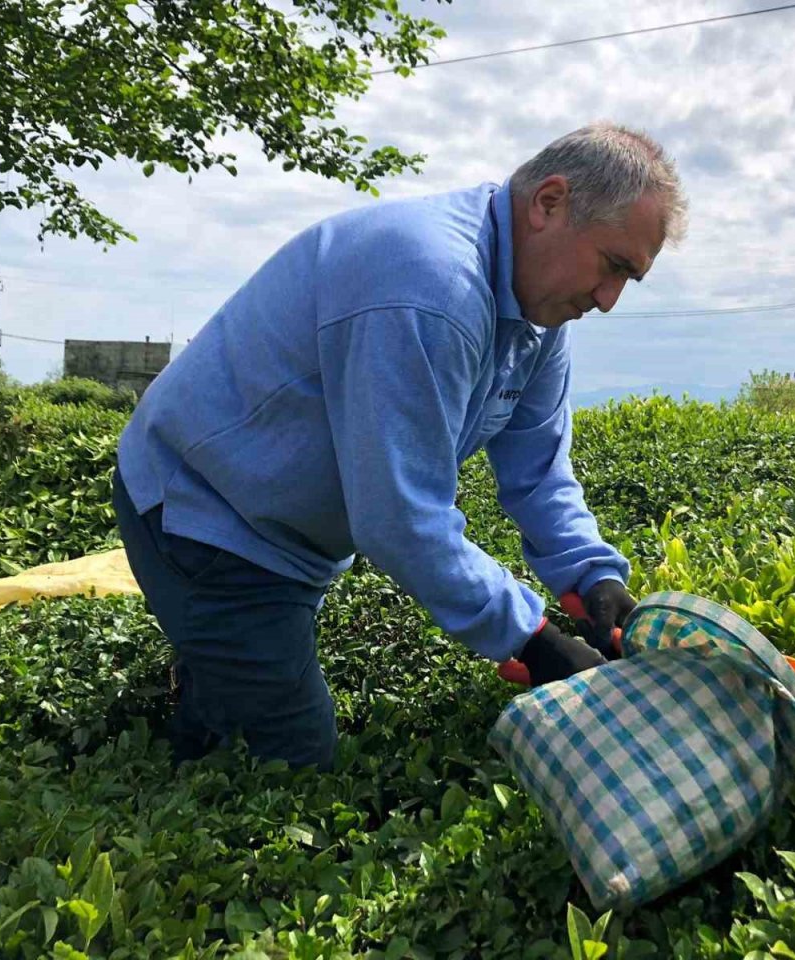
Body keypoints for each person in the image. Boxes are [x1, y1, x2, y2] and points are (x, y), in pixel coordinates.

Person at [112, 121, 689, 770]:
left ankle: (206, 699)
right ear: (548, 203)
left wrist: (594, 577)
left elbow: (538, 475)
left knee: (246, 680)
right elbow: (399, 518)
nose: (609, 300)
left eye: (628, 280)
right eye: (612, 266)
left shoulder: (537, 320)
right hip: (205, 509)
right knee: (298, 750)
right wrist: (532, 641)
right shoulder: (432, 287)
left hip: (283, 527)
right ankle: (185, 755)